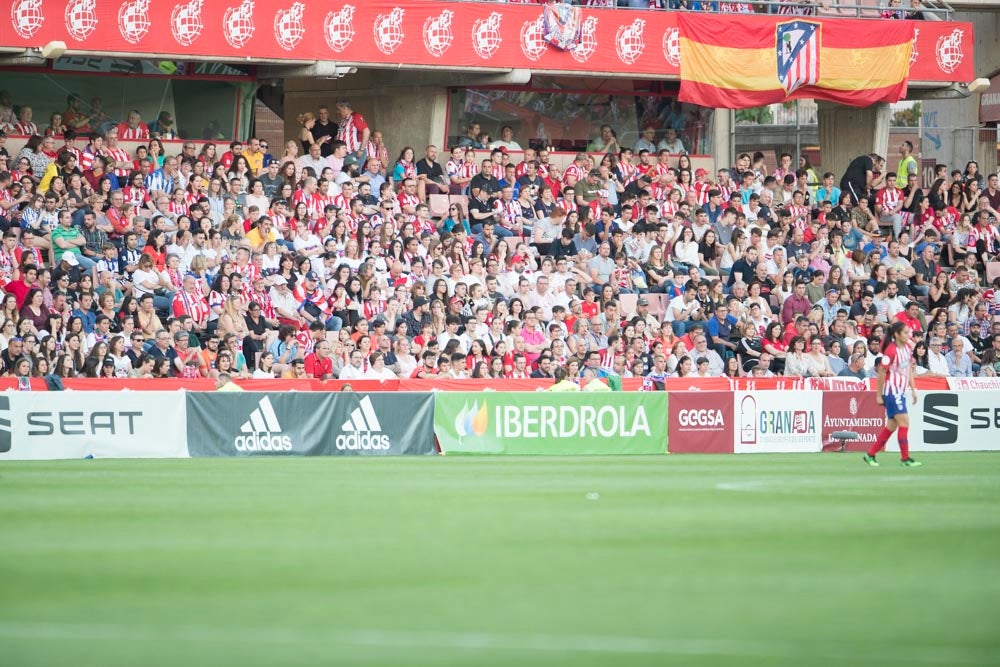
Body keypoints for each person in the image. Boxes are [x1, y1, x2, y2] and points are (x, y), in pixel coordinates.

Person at [864, 321, 922, 467]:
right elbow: (882, 372)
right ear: (896, 334)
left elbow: (908, 369)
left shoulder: (907, 348)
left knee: (891, 426)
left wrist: (913, 389)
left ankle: (870, 454)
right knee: (904, 422)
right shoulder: (891, 350)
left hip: (900, 391)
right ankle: (905, 458)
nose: (908, 335)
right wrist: (879, 395)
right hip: (891, 391)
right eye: (905, 333)